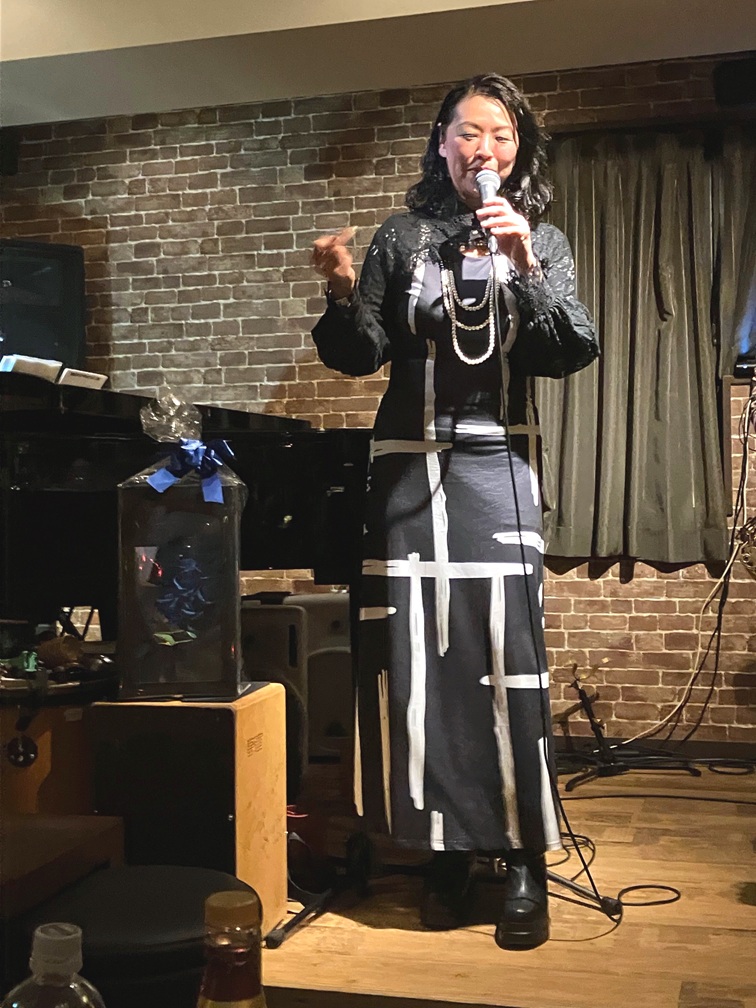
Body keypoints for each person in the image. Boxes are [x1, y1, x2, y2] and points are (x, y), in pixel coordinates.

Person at [310, 73, 598, 950]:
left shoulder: (540, 237)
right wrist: (341, 291)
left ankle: (522, 856)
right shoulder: (403, 236)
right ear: (442, 144)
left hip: (496, 467)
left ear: (519, 149)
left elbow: (571, 348)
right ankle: (443, 847)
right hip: (406, 467)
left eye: (501, 134)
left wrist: (525, 265)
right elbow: (360, 355)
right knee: (422, 660)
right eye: (469, 132)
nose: (485, 148)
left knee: (508, 659)